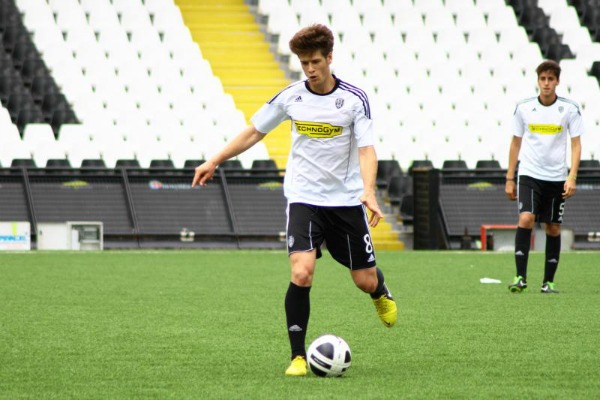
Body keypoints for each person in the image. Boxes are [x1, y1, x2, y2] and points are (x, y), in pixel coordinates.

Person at [192, 24, 397, 376]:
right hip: (304, 198)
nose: (310, 69)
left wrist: (369, 190)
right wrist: (214, 160)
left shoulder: (354, 99)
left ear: (329, 57)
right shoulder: (291, 97)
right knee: (302, 272)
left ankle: (379, 290)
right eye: (304, 63)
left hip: (346, 202)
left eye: (315, 61)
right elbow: (254, 131)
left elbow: (367, 149)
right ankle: (298, 357)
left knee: (363, 280)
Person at [505, 60, 583, 294]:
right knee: (526, 218)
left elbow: (576, 145)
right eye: (543, 79)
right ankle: (520, 277)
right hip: (530, 174)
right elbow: (515, 143)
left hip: (557, 177)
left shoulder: (569, 109)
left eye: (550, 79)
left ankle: (548, 282)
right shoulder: (524, 108)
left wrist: (572, 176)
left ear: (557, 81)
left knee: (553, 227)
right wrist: (510, 178)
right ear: (538, 81)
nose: (546, 83)